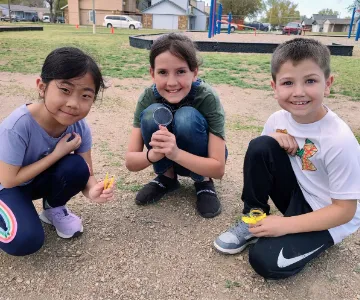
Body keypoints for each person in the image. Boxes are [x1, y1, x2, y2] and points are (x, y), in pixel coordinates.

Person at [214, 38, 360, 279]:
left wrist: (284, 225)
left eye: (310, 81)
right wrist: (274, 137)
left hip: (329, 215)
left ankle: (304, 237)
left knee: (266, 261)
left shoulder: (339, 139)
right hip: (298, 194)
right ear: (275, 87)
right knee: (261, 145)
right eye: (288, 82)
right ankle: (253, 217)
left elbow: (344, 211)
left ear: (328, 84)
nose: (299, 92)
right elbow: (261, 162)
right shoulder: (277, 120)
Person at [0, 47, 115, 256]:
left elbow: (85, 171)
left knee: (76, 166)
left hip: (32, 182)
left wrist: (93, 191)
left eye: (86, 95)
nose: (73, 104)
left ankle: (53, 209)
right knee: (25, 240)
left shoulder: (79, 126)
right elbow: (8, 181)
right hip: (6, 188)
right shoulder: (17, 126)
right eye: (65, 90)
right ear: (42, 87)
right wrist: (56, 154)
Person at [125, 33, 226, 218]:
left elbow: (219, 168)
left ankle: (203, 182)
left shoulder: (207, 97)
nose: (171, 83)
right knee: (150, 114)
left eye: (181, 71)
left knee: (186, 116)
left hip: (201, 162)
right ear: (152, 73)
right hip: (167, 159)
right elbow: (130, 162)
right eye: (162, 72)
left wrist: (176, 153)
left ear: (194, 72)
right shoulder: (147, 97)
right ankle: (167, 176)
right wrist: (154, 154)